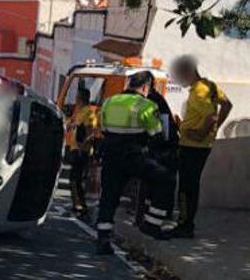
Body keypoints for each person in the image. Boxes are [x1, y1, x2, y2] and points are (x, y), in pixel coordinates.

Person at [94, 71, 176, 255]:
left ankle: (103, 237)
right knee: (166, 179)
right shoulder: (146, 105)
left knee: (109, 196)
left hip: (111, 155)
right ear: (146, 87)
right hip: (135, 156)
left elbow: (104, 129)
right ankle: (151, 224)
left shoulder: (109, 101)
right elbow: (157, 136)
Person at [169, 55, 233, 238]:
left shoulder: (199, 92)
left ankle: (185, 224)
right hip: (201, 144)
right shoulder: (209, 86)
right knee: (191, 184)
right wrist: (214, 129)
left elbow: (211, 115)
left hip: (193, 145)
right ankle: (185, 223)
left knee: (187, 186)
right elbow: (227, 105)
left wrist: (201, 132)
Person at [135, 72, 180, 228]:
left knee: (156, 186)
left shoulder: (151, 101)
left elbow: (160, 131)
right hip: (163, 148)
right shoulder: (156, 99)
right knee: (153, 186)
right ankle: (148, 219)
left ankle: (150, 221)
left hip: (163, 149)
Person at [66, 87, 99, 218]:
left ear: (81, 98)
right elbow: (72, 126)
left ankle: (80, 207)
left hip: (82, 151)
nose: (76, 100)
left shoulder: (88, 112)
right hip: (75, 149)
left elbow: (90, 133)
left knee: (76, 179)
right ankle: (77, 205)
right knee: (74, 180)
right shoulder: (79, 112)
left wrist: (82, 148)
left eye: (77, 97)